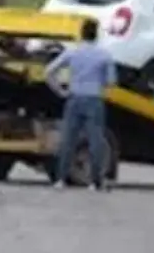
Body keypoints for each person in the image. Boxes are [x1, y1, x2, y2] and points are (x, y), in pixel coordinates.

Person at [44, 18, 117, 191]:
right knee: (95, 140)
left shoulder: (73, 52)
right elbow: (111, 82)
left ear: (81, 33)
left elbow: (48, 72)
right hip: (94, 99)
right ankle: (95, 182)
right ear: (96, 34)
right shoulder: (104, 55)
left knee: (68, 139)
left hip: (74, 97)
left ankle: (60, 180)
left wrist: (60, 91)